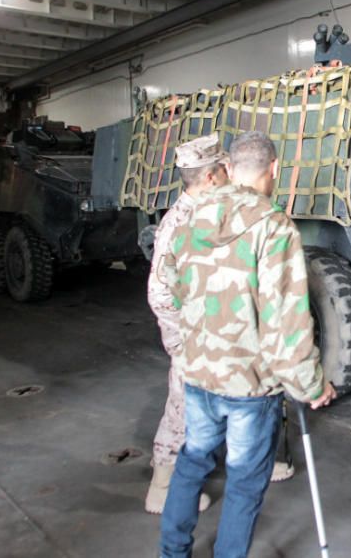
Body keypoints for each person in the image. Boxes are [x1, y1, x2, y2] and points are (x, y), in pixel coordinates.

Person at [159, 131, 336, 558]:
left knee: (191, 462)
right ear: (274, 169)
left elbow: (172, 291)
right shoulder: (274, 228)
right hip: (249, 386)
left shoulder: (190, 217)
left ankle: (171, 553)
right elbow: (286, 323)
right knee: (242, 480)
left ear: (229, 168)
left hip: (199, 374)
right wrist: (312, 385)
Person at [146, 135, 230, 514]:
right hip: (192, 337)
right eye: (225, 169)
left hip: (212, 333)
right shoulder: (179, 224)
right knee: (183, 407)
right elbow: (160, 294)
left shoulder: (206, 214)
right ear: (211, 177)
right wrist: (184, 342)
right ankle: (161, 488)